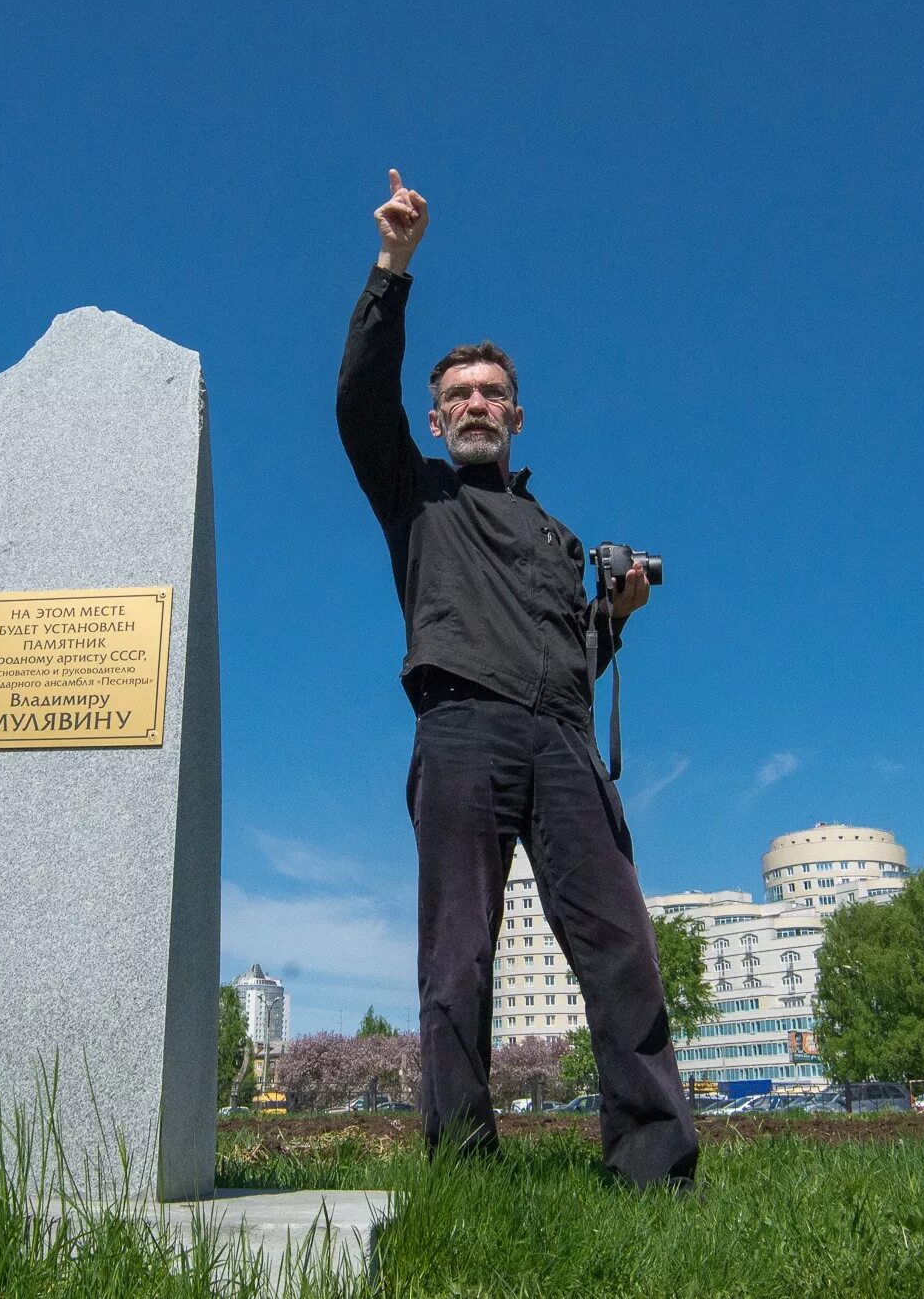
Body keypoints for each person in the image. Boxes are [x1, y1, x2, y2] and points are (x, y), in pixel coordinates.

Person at [336, 169, 699, 1189]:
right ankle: (463, 1169)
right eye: (456, 397)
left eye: (490, 393)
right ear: (435, 416)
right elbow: (359, 396)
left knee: (620, 950)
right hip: (459, 732)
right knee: (458, 958)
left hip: (564, 743)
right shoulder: (417, 495)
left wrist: (611, 615)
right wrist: (392, 268)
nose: (474, 406)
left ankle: (653, 1167)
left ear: (518, 415)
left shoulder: (554, 534)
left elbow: (570, 660)